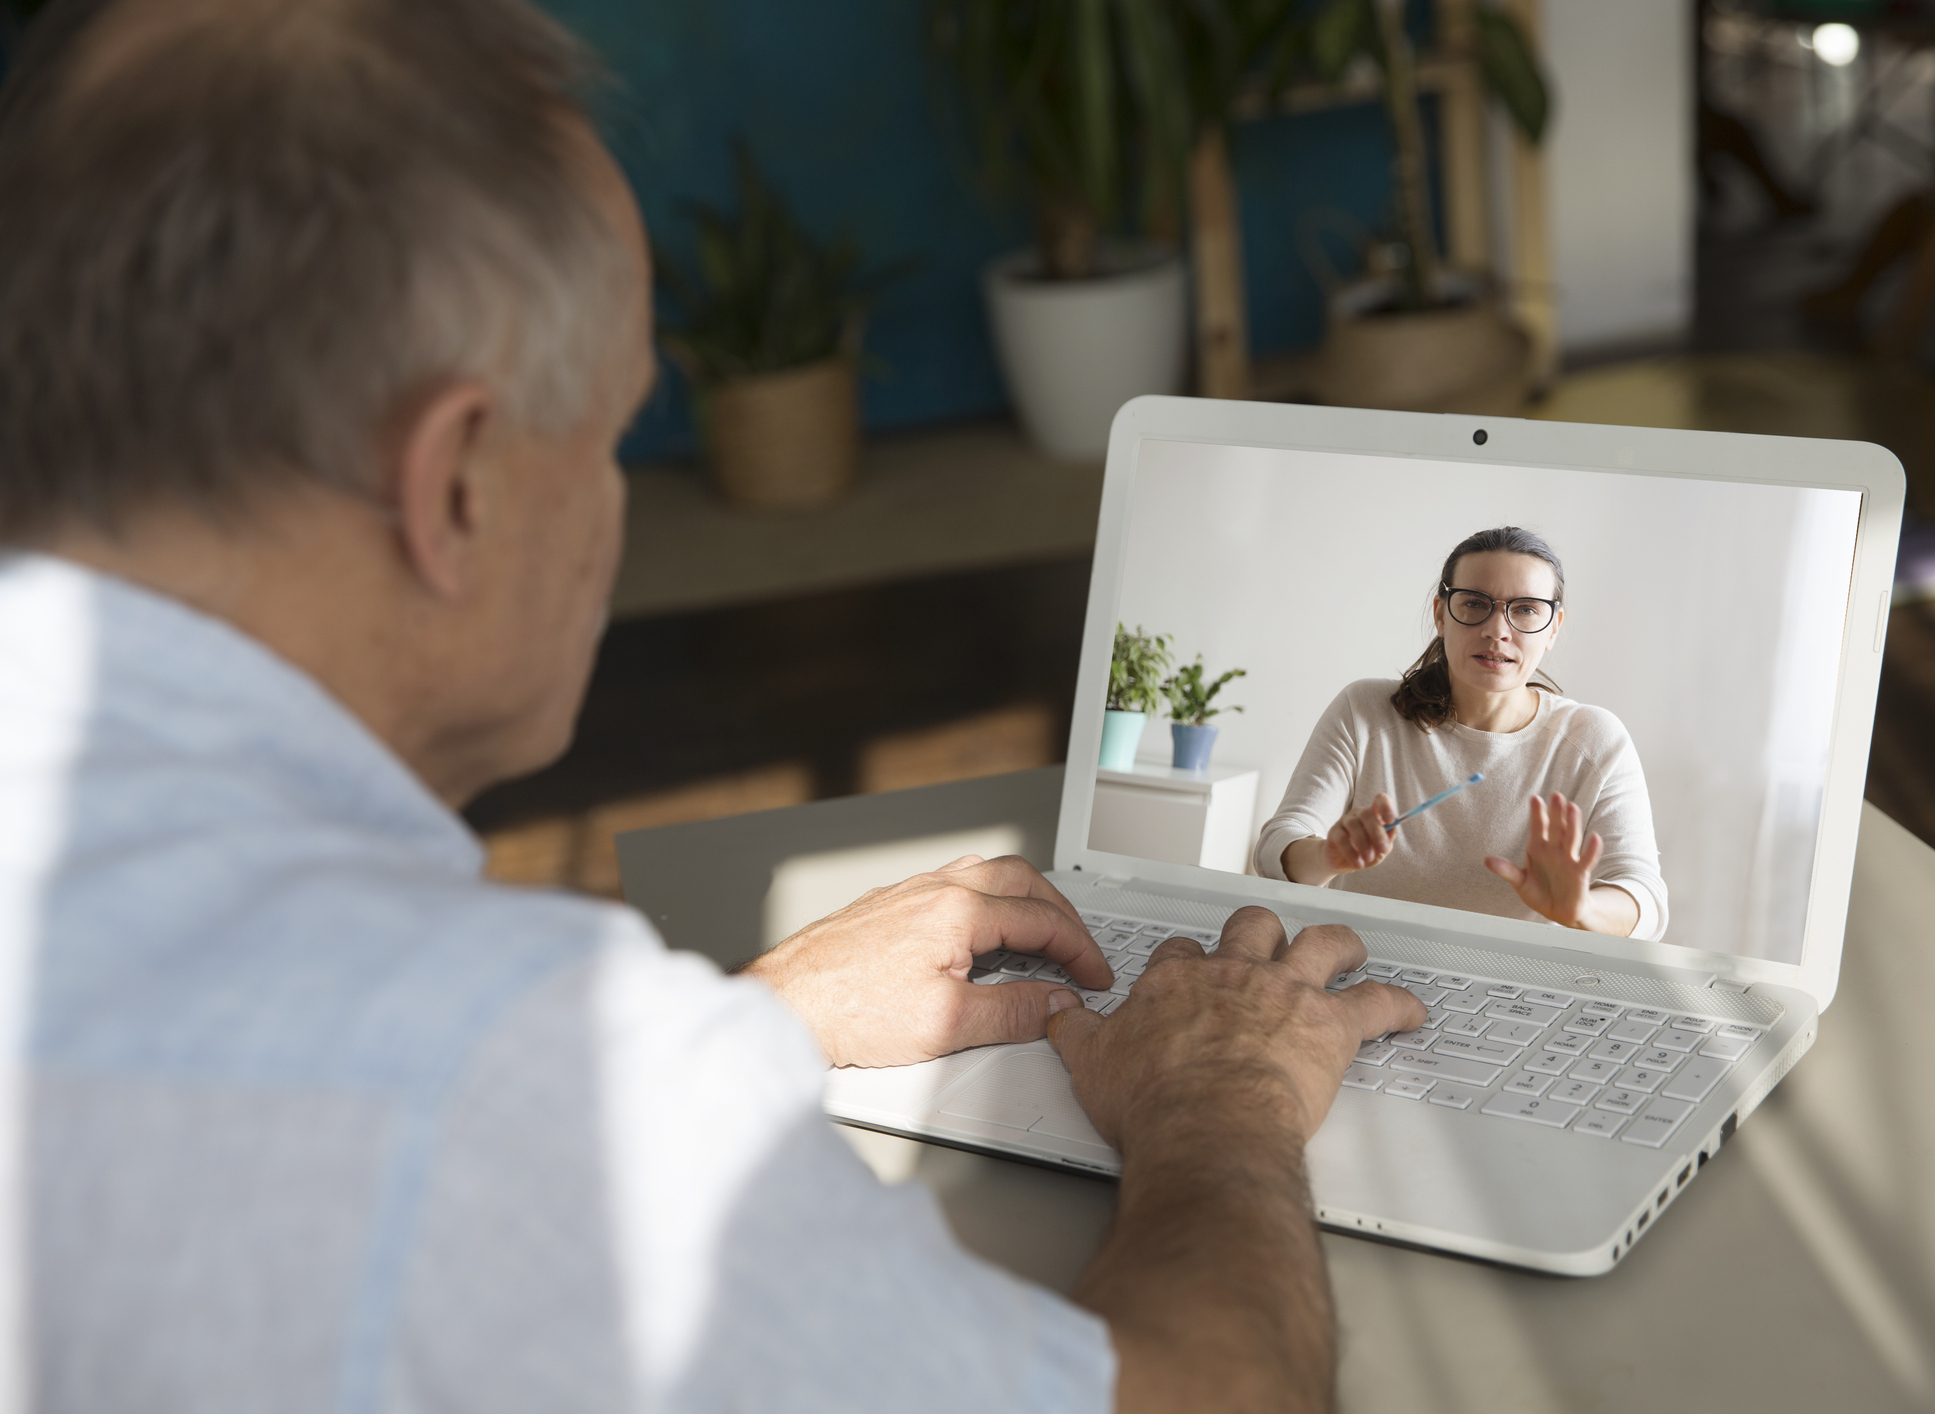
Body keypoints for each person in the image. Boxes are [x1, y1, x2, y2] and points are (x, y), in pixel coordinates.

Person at [0, 1, 1423, 1410]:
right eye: (615, 431)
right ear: (459, 484)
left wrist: (756, 1023)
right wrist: (1220, 1106)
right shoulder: (493, 1076)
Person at [1255, 527, 1668, 941]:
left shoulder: (1594, 739)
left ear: (1554, 628)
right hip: (1358, 964)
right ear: (1440, 613)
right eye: (1474, 603)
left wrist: (1584, 910)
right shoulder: (1364, 710)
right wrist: (1327, 856)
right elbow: (1276, 847)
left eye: (1525, 610)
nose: (1496, 631)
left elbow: (1645, 900)